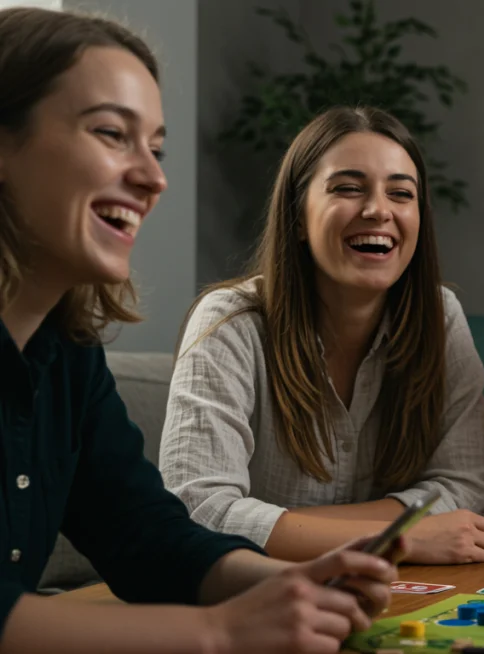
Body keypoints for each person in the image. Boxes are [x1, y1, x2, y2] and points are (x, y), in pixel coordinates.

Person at [0, 7, 396, 653]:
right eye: (110, 133)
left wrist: (287, 583)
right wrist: (217, 631)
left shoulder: (67, 355)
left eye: (156, 148)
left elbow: (144, 535)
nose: (154, 177)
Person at [158, 106, 484, 566]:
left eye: (401, 193)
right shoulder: (230, 323)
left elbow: (468, 487)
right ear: (298, 217)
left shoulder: (439, 317)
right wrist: (401, 538)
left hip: (387, 598)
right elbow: (196, 510)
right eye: (348, 188)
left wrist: (291, 527)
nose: (379, 210)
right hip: (254, 601)